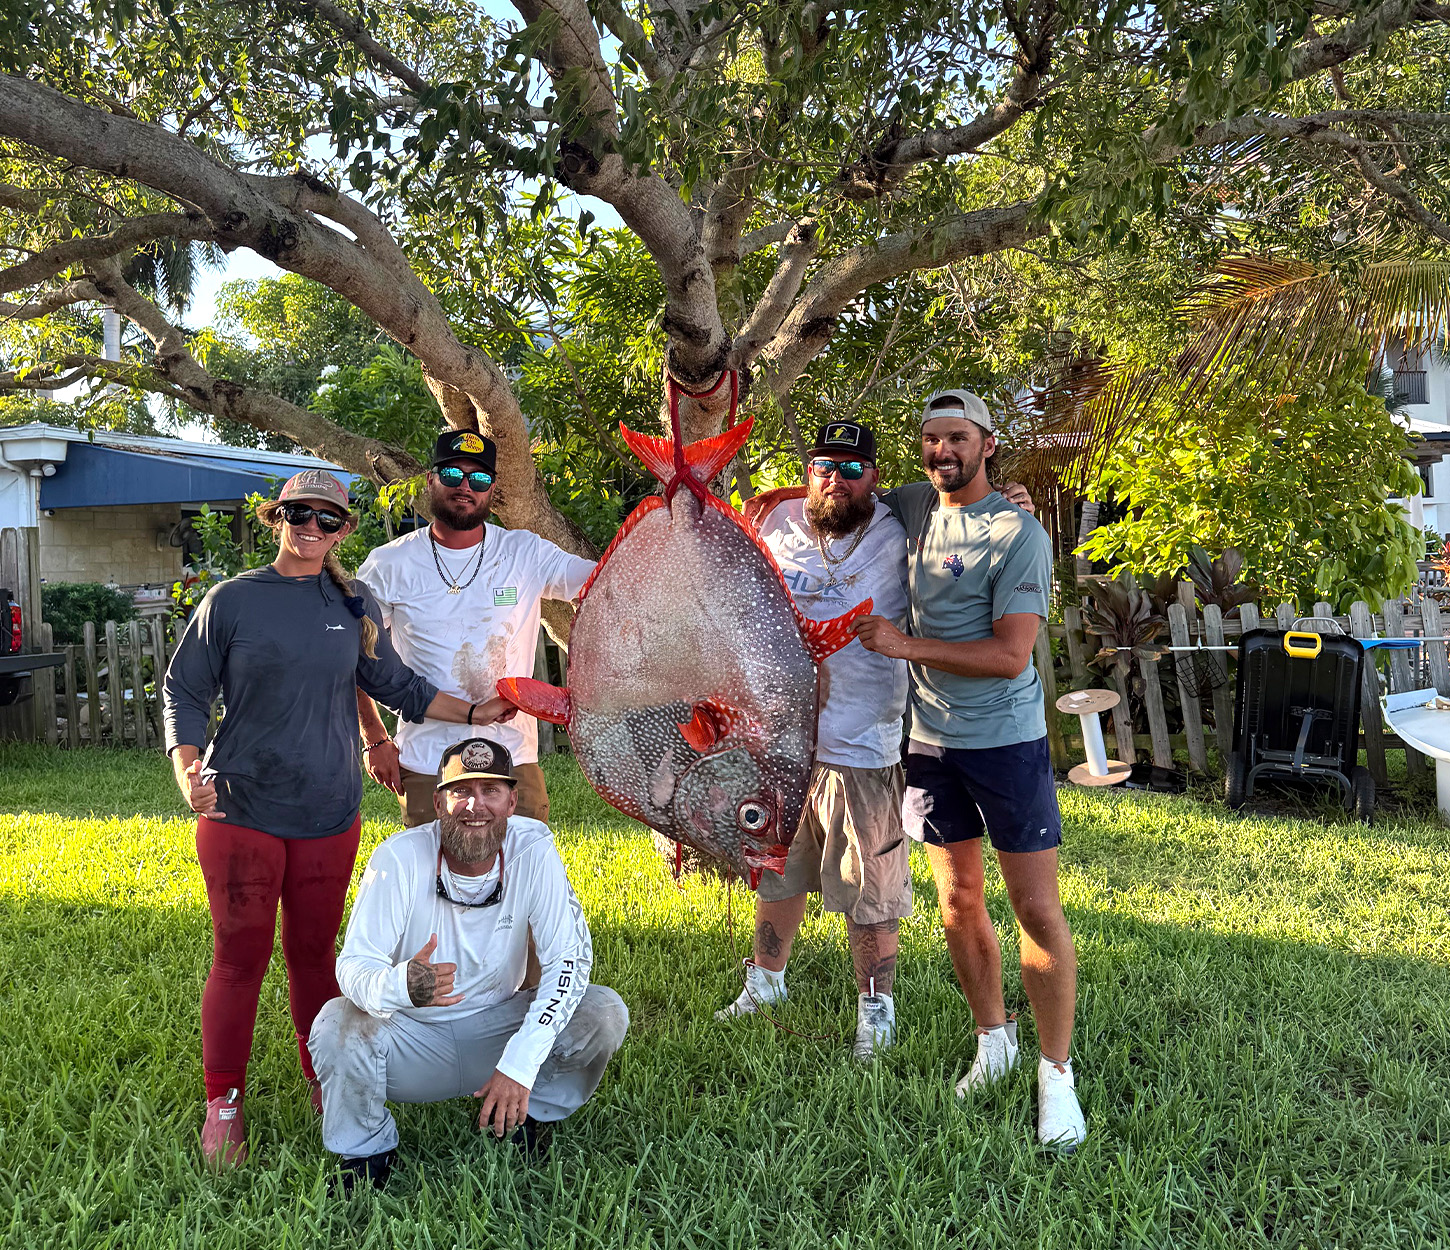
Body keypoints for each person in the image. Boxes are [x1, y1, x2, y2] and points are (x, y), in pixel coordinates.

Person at [162, 469, 512, 1168]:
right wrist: (187, 772)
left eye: (328, 519)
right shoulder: (232, 601)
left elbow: (393, 684)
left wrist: (472, 713)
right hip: (242, 809)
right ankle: (223, 1101)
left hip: (329, 811)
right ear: (275, 518)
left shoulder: (355, 604)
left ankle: (326, 1079)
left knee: (315, 958)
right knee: (240, 957)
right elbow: (184, 690)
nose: (311, 529)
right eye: (299, 514)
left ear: (345, 530)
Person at [852, 388, 1087, 1150]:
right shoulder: (915, 504)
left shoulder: (1019, 533)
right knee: (957, 902)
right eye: (930, 439)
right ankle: (994, 1040)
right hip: (929, 742)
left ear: (987, 443)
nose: (941, 450)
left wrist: (904, 647)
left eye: (956, 438)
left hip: (1006, 742)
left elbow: (1009, 655)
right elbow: (838, 493)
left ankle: (1057, 1076)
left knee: (1036, 909)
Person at [308, 737, 629, 1189]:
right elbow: (354, 964)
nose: (476, 806)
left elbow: (569, 959)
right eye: (461, 791)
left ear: (512, 801)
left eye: (491, 791)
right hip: (412, 1038)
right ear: (439, 802)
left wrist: (520, 1062)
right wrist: (401, 986)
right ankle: (366, 1152)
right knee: (335, 1023)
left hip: (500, 1030)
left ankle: (526, 1116)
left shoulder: (533, 848)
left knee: (603, 1011)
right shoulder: (397, 857)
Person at [717, 419, 912, 1061]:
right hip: (781, 742)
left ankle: (875, 1010)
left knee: (868, 887)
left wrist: (1013, 497)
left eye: (852, 468)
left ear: (876, 476)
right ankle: (766, 981)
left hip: (863, 745)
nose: (836, 479)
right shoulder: (776, 523)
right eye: (823, 467)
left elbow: (965, 503)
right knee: (778, 871)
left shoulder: (903, 526)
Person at [356, 430, 595, 827]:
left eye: (479, 478)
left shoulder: (525, 552)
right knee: (432, 879)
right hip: (427, 760)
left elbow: (603, 583)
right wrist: (375, 738)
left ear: (492, 489)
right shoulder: (389, 565)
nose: (465, 486)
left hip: (513, 756)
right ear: (431, 480)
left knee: (521, 873)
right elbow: (356, 656)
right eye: (452, 474)